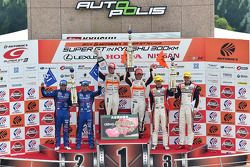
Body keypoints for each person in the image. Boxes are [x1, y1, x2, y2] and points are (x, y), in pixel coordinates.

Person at [41, 80, 72, 151]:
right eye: (62, 85)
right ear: (60, 85)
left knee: (66, 130)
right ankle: (57, 145)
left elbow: (70, 103)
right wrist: (42, 88)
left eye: (64, 85)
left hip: (66, 113)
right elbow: (45, 94)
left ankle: (66, 145)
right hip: (58, 114)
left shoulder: (69, 93)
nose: (63, 86)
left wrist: (74, 102)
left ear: (66, 86)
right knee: (57, 130)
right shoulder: (56, 92)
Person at [175, 72, 201, 150]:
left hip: (190, 107)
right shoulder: (180, 86)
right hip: (182, 107)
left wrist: (195, 109)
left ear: (190, 78)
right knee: (181, 126)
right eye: (185, 77)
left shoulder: (195, 86)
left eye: (188, 77)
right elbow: (176, 96)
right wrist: (174, 90)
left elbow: (197, 99)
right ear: (184, 78)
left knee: (190, 126)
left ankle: (190, 144)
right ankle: (181, 143)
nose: (186, 78)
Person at [125, 66, 153, 135]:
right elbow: (125, 79)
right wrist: (127, 70)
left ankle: (140, 130)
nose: (139, 75)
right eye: (137, 74)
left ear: (142, 75)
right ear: (135, 75)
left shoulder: (144, 82)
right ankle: (133, 130)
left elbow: (151, 79)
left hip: (142, 101)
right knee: (133, 115)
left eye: (140, 74)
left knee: (141, 116)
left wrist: (151, 70)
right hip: (134, 101)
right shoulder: (132, 82)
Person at [76, 80, 102, 149]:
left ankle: (91, 144)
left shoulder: (91, 93)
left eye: (86, 86)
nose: (85, 87)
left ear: (88, 86)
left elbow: (99, 92)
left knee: (90, 130)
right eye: (83, 86)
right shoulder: (78, 94)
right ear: (81, 86)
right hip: (81, 114)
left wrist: (99, 87)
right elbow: (74, 101)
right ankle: (78, 144)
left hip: (88, 114)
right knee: (79, 129)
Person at [150, 75, 172, 150]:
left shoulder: (165, 90)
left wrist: (172, 87)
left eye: (159, 81)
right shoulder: (152, 90)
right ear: (155, 82)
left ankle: (165, 144)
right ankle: (154, 144)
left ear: (161, 82)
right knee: (155, 128)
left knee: (164, 128)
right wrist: (149, 111)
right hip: (156, 110)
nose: (158, 83)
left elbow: (172, 94)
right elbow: (150, 102)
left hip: (163, 110)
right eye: (157, 81)